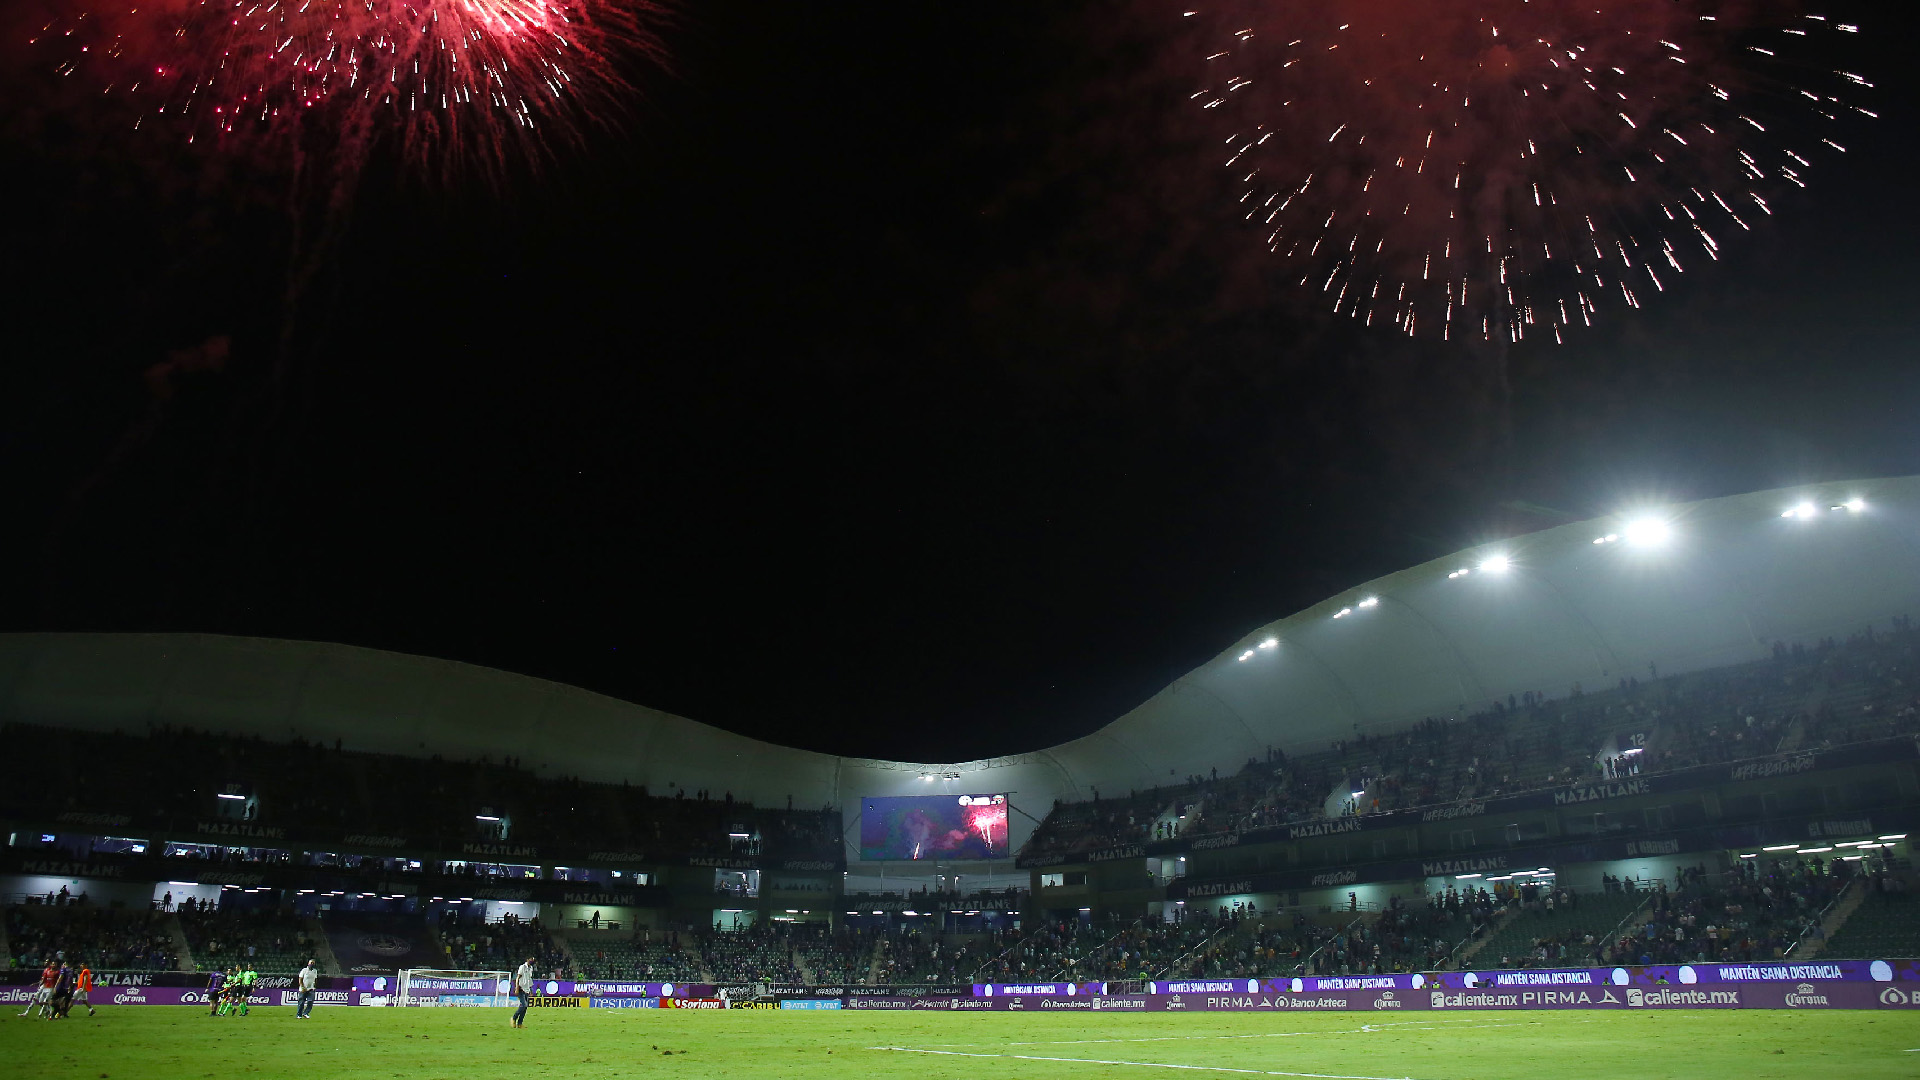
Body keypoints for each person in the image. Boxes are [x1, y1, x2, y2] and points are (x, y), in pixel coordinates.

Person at [512, 956, 535, 1028]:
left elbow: (529, 979)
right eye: (531, 959)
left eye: (533, 959)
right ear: (527, 959)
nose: (532, 960)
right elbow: (518, 977)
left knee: (525, 1007)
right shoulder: (522, 967)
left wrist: (531, 989)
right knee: (524, 1005)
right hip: (521, 988)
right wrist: (516, 988)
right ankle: (514, 1018)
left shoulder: (531, 968)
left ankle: (519, 1023)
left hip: (527, 989)